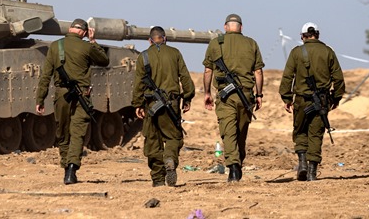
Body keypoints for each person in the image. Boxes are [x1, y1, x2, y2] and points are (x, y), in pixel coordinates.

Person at [35, 18, 110, 185]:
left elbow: (46, 75)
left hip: (61, 95)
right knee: (77, 133)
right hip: (82, 95)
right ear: (84, 32)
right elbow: (104, 60)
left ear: (70, 29)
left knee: (63, 132)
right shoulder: (87, 46)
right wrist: (93, 41)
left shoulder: (55, 46)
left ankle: (65, 167)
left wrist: (40, 98)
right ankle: (71, 169)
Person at [278, 22, 345, 181]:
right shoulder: (328, 52)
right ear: (318, 34)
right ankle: (312, 172)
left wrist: (287, 98)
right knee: (316, 134)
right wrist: (336, 98)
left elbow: (287, 77)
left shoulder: (296, 53)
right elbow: (339, 79)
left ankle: (302, 163)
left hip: (301, 100)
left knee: (300, 130)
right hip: (322, 101)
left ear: (302, 36)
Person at [202, 13, 265, 182]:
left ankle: (234, 168)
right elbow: (258, 72)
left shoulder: (216, 43)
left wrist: (207, 92)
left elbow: (208, 70)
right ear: (241, 28)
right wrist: (259, 94)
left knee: (228, 133)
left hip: (226, 97)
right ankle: (238, 162)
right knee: (241, 133)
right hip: (246, 95)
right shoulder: (251, 43)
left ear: (225, 27)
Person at [132, 26, 196, 187]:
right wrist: (187, 98)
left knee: (153, 140)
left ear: (150, 40)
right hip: (172, 104)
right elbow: (185, 78)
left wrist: (138, 104)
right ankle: (170, 158)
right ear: (165, 38)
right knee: (174, 137)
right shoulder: (175, 53)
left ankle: (158, 179)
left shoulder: (143, 56)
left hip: (151, 105)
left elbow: (138, 83)